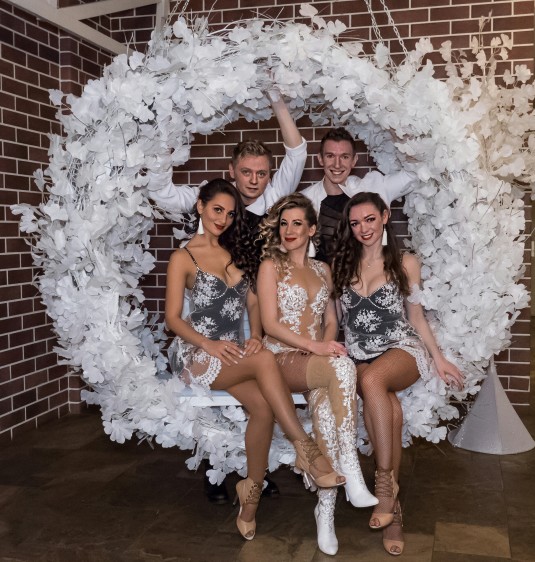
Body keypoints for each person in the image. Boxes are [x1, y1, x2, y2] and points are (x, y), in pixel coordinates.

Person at [165, 179, 344, 541]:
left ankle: (250, 497)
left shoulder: (235, 253)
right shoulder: (183, 257)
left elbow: (252, 304)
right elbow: (172, 319)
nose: (223, 219)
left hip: (234, 352)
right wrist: (209, 344)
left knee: (262, 409)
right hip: (197, 352)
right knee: (265, 362)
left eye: (230, 214)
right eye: (217, 210)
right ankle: (305, 449)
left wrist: (255, 335)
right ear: (200, 206)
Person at [154, 95, 306, 502]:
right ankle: (223, 467)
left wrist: (278, 102)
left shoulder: (265, 208)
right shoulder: (203, 213)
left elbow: (297, 154)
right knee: (243, 380)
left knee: (259, 398)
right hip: (202, 323)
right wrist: (167, 128)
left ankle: (254, 476)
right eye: (246, 172)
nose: (254, 180)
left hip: (247, 313)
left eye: (261, 173)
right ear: (232, 172)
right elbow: (160, 191)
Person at [331, 191, 464, 556]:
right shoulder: (341, 265)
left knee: (373, 380)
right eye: (355, 223)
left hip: (402, 349)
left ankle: (383, 485)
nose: (363, 229)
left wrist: (438, 358)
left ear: (385, 217)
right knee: (389, 408)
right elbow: (335, 320)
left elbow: (416, 317)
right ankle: (394, 513)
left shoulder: (406, 262)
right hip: (360, 354)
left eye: (370, 219)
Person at [256, 193, 378, 556]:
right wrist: (316, 348)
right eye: (284, 223)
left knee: (326, 408)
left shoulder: (323, 269)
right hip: (280, 359)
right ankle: (351, 468)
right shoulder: (271, 267)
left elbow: (330, 320)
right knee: (342, 365)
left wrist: (325, 345)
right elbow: (269, 324)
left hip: (314, 361)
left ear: (311, 229)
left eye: (297, 223)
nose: (289, 230)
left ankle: (325, 512)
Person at [301, 127, 415, 262]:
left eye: (344, 157)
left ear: (354, 160)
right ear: (320, 159)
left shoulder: (374, 187)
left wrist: (394, 128)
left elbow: (413, 174)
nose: (337, 164)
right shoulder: (304, 200)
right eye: (330, 156)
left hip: (369, 273)